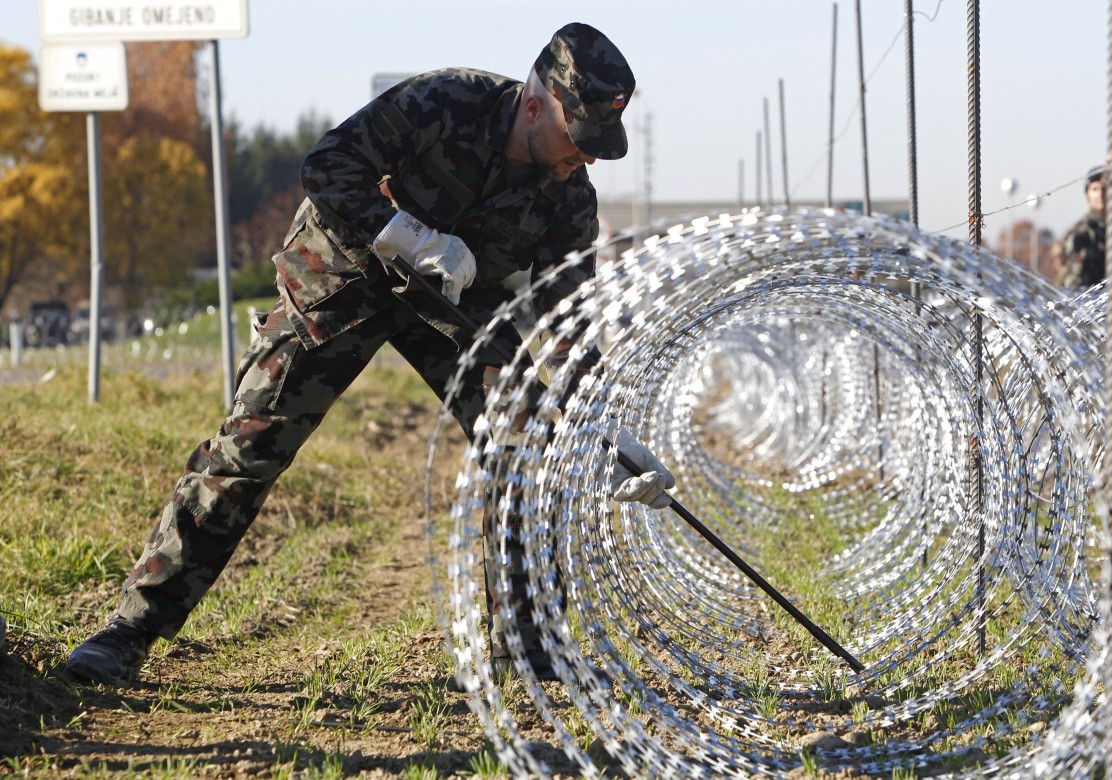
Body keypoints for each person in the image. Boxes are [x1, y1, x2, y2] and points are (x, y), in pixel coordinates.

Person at [64, 22, 675, 686]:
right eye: (575, 139)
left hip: (452, 305)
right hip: (345, 276)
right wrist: (406, 233)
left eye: (594, 148)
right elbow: (327, 166)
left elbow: (569, 315)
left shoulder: (568, 192)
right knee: (252, 445)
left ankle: (525, 649)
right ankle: (130, 630)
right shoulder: (444, 102)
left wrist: (604, 431)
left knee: (529, 439)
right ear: (534, 105)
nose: (582, 158)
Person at [1056, 165, 1112, 291]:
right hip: (1091, 303)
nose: (1100, 194)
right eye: (1095, 189)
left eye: (1105, 188)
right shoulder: (1080, 232)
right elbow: (1073, 283)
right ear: (1087, 194)